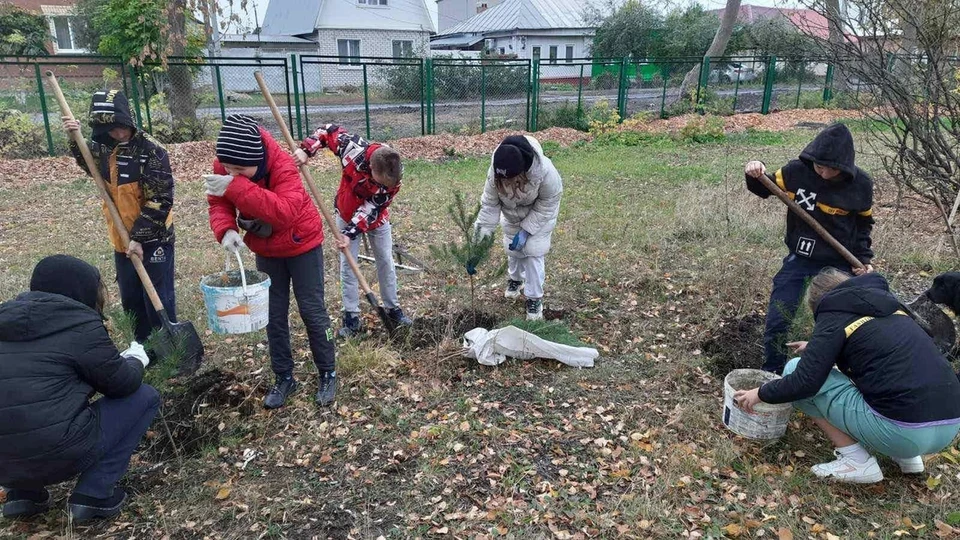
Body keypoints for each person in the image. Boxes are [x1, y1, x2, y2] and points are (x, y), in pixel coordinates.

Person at [735, 269, 960, 484]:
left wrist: (760, 393)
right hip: (949, 426)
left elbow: (804, 382)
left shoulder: (833, 313)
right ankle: (908, 458)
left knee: (795, 368)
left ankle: (857, 461)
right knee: (891, 378)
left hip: (903, 432)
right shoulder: (893, 308)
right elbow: (880, 356)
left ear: (817, 302)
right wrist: (818, 349)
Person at [0, 255, 159, 522]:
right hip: (58, 453)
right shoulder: (78, 325)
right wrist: (135, 359)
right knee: (144, 396)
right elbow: (123, 384)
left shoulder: (5, 318)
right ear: (81, 290)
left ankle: (22, 494)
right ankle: (93, 495)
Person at [205, 114, 337, 409]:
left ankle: (327, 371)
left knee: (312, 311)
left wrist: (234, 186)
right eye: (228, 168)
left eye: (240, 170)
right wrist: (225, 229)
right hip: (266, 249)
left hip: (302, 244)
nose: (232, 173)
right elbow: (219, 201)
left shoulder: (283, 166)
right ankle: (284, 377)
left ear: (257, 159)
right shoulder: (226, 163)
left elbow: (285, 212)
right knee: (273, 315)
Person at [745, 123, 875, 374]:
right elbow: (763, 186)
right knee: (779, 315)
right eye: (819, 166)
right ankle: (772, 372)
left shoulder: (860, 185)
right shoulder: (797, 172)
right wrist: (755, 168)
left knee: (838, 321)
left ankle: (831, 371)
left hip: (838, 261)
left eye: (831, 168)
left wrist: (863, 258)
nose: (824, 173)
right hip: (800, 258)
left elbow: (863, 226)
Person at [63, 90, 176, 345]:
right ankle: (142, 348)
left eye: (122, 127)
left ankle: (169, 349)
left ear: (129, 120)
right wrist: (74, 137)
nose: (119, 134)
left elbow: (161, 200)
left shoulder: (152, 151)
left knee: (158, 296)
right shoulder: (103, 148)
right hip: (121, 238)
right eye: (112, 130)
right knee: (132, 298)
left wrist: (138, 238)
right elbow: (87, 162)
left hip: (154, 237)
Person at [294, 123, 413, 338]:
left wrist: (349, 234)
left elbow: (370, 210)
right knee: (348, 265)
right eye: (381, 182)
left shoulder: (394, 179)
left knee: (385, 261)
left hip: (375, 218)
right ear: (371, 168)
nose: (385, 187)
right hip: (345, 212)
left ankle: (393, 309)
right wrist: (306, 149)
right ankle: (351, 317)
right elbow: (327, 130)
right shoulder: (352, 148)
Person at [473, 135, 563, 321]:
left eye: (511, 179)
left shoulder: (545, 172)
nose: (505, 183)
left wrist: (527, 230)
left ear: (522, 173)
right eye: (502, 180)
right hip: (512, 215)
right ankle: (515, 279)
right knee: (512, 250)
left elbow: (548, 203)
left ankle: (534, 299)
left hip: (539, 215)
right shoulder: (495, 173)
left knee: (533, 252)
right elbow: (489, 207)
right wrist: (477, 248)